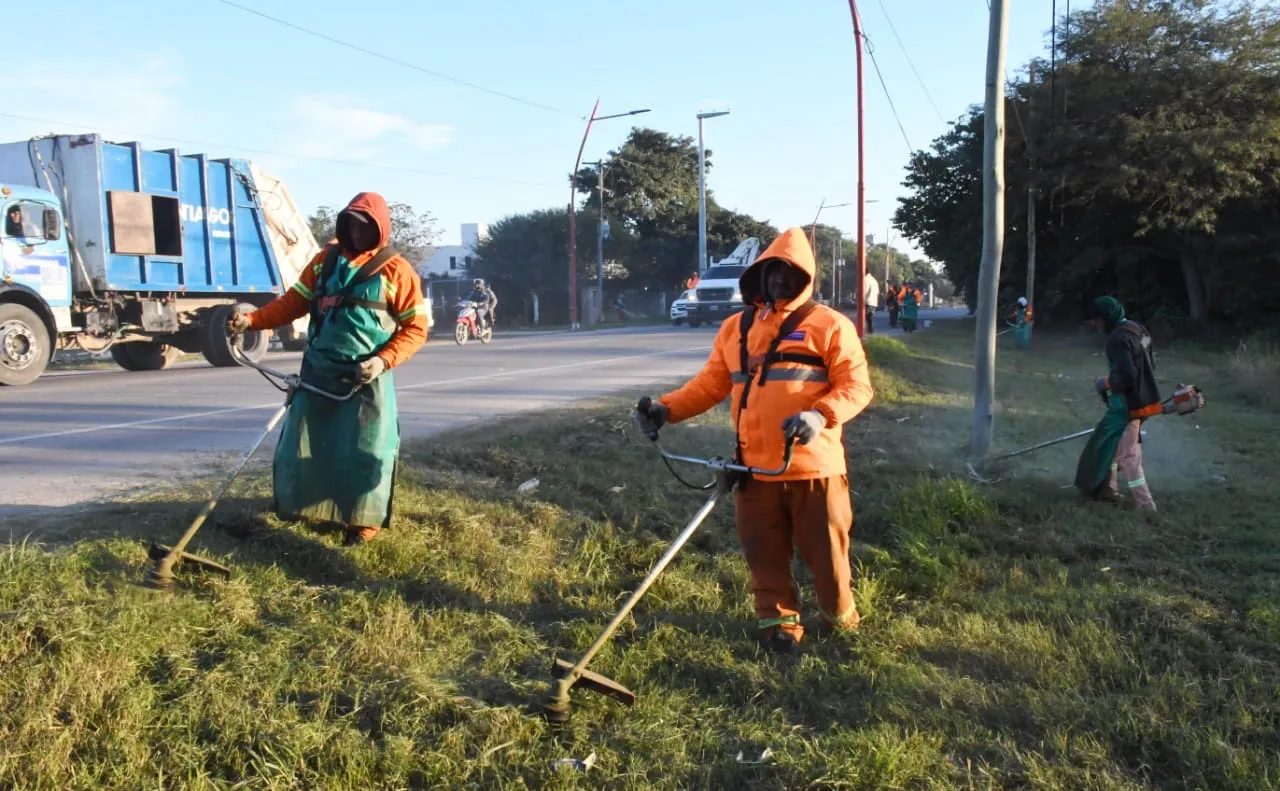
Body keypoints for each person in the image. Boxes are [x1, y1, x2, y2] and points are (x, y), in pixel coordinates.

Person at [635, 226, 875, 654]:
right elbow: (710, 384)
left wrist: (820, 415)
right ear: (758, 276)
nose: (780, 279)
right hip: (752, 468)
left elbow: (857, 387)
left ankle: (841, 624)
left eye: (790, 272)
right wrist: (666, 409)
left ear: (806, 278)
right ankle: (780, 628)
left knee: (826, 555)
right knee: (763, 552)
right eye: (772, 270)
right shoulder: (735, 328)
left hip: (813, 468)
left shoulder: (830, 325)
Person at [227, 192, 428, 545]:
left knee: (368, 450)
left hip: (366, 378)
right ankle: (299, 506)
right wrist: (251, 321)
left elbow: (416, 328)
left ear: (380, 229)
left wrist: (382, 361)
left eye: (365, 227)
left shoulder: (397, 271)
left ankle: (362, 522)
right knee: (305, 444)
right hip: (318, 371)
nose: (356, 233)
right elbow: (293, 303)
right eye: (351, 224)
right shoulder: (324, 262)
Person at [1074, 296, 1162, 513]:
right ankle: (1108, 490)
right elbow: (1150, 362)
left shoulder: (1116, 339)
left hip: (1128, 405)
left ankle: (1145, 504)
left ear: (1106, 317)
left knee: (1128, 456)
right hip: (1146, 400)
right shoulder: (1140, 330)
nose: (1095, 325)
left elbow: (1127, 375)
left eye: (1097, 320)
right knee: (1110, 445)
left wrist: (1104, 383)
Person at [862, 270, 880, 335]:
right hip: (874, 302)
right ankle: (870, 332)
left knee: (865, 318)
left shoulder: (865, 279)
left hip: (867, 301)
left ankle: (866, 332)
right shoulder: (874, 280)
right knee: (870, 318)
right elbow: (877, 292)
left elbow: (864, 291)